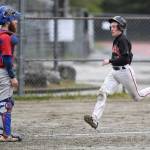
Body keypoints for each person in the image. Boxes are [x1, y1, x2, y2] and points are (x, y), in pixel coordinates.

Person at [84, 16, 150, 129]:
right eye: (111, 26)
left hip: (124, 72)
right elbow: (129, 55)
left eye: (114, 26)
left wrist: (110, 60)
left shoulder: (123, 40)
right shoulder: (117, 39)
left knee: (137, 97)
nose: (112, 28)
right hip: (114, 72)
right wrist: (113, 61)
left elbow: (126, 59)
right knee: (102, 92)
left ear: (121, 27)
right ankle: (95, 119)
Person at [0, 5, 22, 142]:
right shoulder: (6, 38)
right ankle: (5, 135)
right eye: (14, 19)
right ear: (7, 21)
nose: (16, 22)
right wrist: (13, 77)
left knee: (3, 102)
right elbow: (7, 59)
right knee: (6, 103)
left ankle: (3, 133)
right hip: (3, 72)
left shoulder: (3, 35)